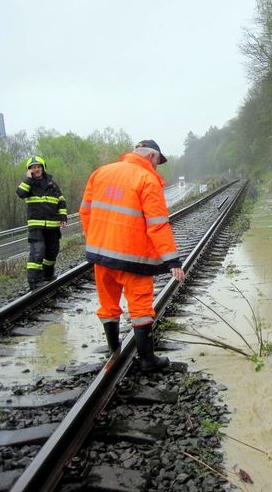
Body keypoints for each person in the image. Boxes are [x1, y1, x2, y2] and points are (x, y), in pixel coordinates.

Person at [79, 140, 185, 373]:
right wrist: (172, 261)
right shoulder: (148, 180)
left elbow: (85, 212)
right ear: (152, 157)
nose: (157, 166)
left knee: (108, 304)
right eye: (158, 162)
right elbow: (157, 225)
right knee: (140, 307)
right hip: (133, 259)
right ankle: (147, 359)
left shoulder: (100, 173)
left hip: (101, 255)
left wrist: (96, 240)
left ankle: (113, 349)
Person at [16, 156, 67, 290]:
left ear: (43, 168)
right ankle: (34, 281)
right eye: (33, 167)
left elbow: (61, 200)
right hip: (36, 226)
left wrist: (63, 216)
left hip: (53, 225)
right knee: (38, 252)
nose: (36, 169)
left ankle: (48, 275)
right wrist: (28, 178)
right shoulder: (28, 183)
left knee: (52, 252)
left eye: (38, 166)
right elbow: (20, 193)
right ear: (29, 170)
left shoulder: (52, 183)